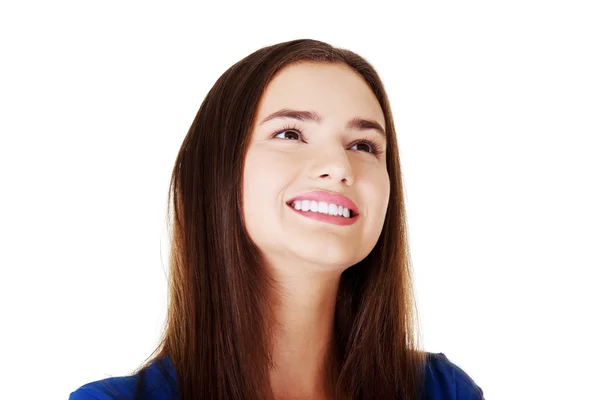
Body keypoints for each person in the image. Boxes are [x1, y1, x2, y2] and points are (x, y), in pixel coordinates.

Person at [69, 38, 484, 400]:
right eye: (290, 134)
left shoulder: (444, 392)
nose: (339, 166)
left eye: (363, 145)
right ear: (215, 174)